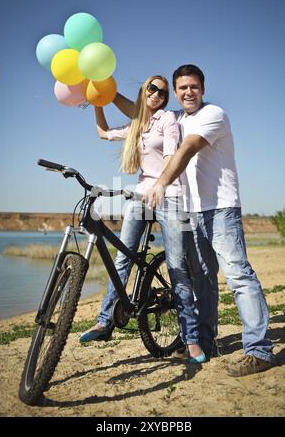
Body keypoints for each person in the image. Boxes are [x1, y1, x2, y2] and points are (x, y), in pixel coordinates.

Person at [145, 64, 276, 377]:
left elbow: (188, 149)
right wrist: (103, 96)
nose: (188, 92)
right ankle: (206, 340)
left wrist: (161, 182)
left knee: (238, 275)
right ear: (175, 93)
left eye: (194, 86)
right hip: (192, 213)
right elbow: (138, 110)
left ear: (202, 88)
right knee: (202, 278)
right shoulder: (175, 118)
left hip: (220, 209)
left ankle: (259, 350)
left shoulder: (213, 114)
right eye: (182, 88)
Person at [80, 75, 206, 363]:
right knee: (123, 257)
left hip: (169, 194)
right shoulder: (137, 126)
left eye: (163, 92)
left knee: (176, 266)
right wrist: (97, 101)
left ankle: (192, 338)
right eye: (153, 88)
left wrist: (160, 186)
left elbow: (173, 156)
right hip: (140, 195)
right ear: (144, 90)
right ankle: (104, 322)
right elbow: (102, 132)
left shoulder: (167, 120)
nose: (158, 94)